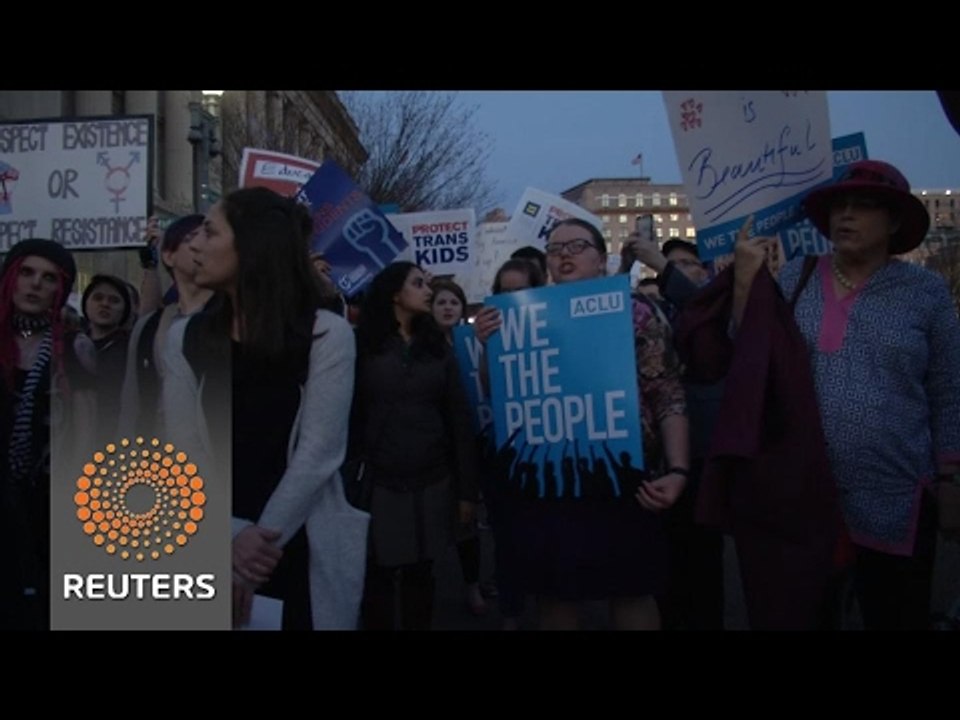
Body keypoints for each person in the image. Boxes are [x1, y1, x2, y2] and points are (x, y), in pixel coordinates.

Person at [731, 160, 960, 630]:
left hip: (898, 495)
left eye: (863, 207)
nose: (846, 217)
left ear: (894, 221)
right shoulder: (796, 276)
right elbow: (750, 355)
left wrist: (952, 480)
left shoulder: (926, 292)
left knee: (897, 616)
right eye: (840, 207)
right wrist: (743, 281)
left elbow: (949, 389)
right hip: (806, 496)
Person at [163, 187, 368, 630]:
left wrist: (256, 547)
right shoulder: (184, 338)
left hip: (301, 545)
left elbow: (319, 452)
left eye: (210, 231)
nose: (194, 244)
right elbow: (183, 451)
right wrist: (231, 536)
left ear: (252, 246)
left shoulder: (325, 335)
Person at [477, 219, 689, 630]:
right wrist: (491, 347)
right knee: (555, 594)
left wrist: (678, 469)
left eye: (576, 245)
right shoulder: (525, 314)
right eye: (555, 249)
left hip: (623, 476)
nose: (564, 255)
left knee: (630, 589)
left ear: (601, 257)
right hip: (547, 478)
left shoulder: (636, 312)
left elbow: (666, 392)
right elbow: (497, 392)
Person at [353, 261, 479, 631]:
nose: (429, 290)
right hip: (379, 481)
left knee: (421, 575)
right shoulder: (364, 344)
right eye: (418, 283)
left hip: (432, 479)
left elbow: (459, 418)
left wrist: (466, 492)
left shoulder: (437, 348)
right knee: (378, 574)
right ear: (395, 293)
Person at [618, 234, 726, 630]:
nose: (675, 273)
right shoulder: (649, 313)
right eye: (670, 266)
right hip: (652, 460)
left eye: (686, 265)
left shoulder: (710, 308)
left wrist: (662, 267)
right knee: (659, 569)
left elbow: (703, 305)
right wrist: (623, 269)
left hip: (698, 454)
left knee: (701, 564)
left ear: (706, 271)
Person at [0, 239, 96, 630]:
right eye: (26, 273)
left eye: (48, 278)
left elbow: (88, 433)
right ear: (10, 276)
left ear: (61, 289)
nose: (35, 285)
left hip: (45, 504)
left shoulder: (74, 348)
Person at [473, 256, 545, 630]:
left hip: (553, 447)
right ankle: (512, 612)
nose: (512, 299)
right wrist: (487, 346)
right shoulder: (492, 333)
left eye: (521, 291)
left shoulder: (558, 322)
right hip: (512, 450)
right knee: (510, 536)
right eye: (504, 292)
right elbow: (489, 387)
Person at [118, 214, 212, 439]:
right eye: (191, 238)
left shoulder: (233, 319)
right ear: (168, 256)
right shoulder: (148, 327)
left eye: (210, 238)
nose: (201, 246)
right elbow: (131, 404)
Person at [430, 277, 490, 617]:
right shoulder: (420, 346)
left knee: (467, 522)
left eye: (454, 302)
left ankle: (472, 586)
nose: (449, 308)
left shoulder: (473, 341)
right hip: (438, 445)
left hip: (473, 438)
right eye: (441, 302)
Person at [81, 274, 132, 445]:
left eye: (114, 300)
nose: (105, 304)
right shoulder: (70, 346)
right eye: (98, 298)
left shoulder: (131, 349)